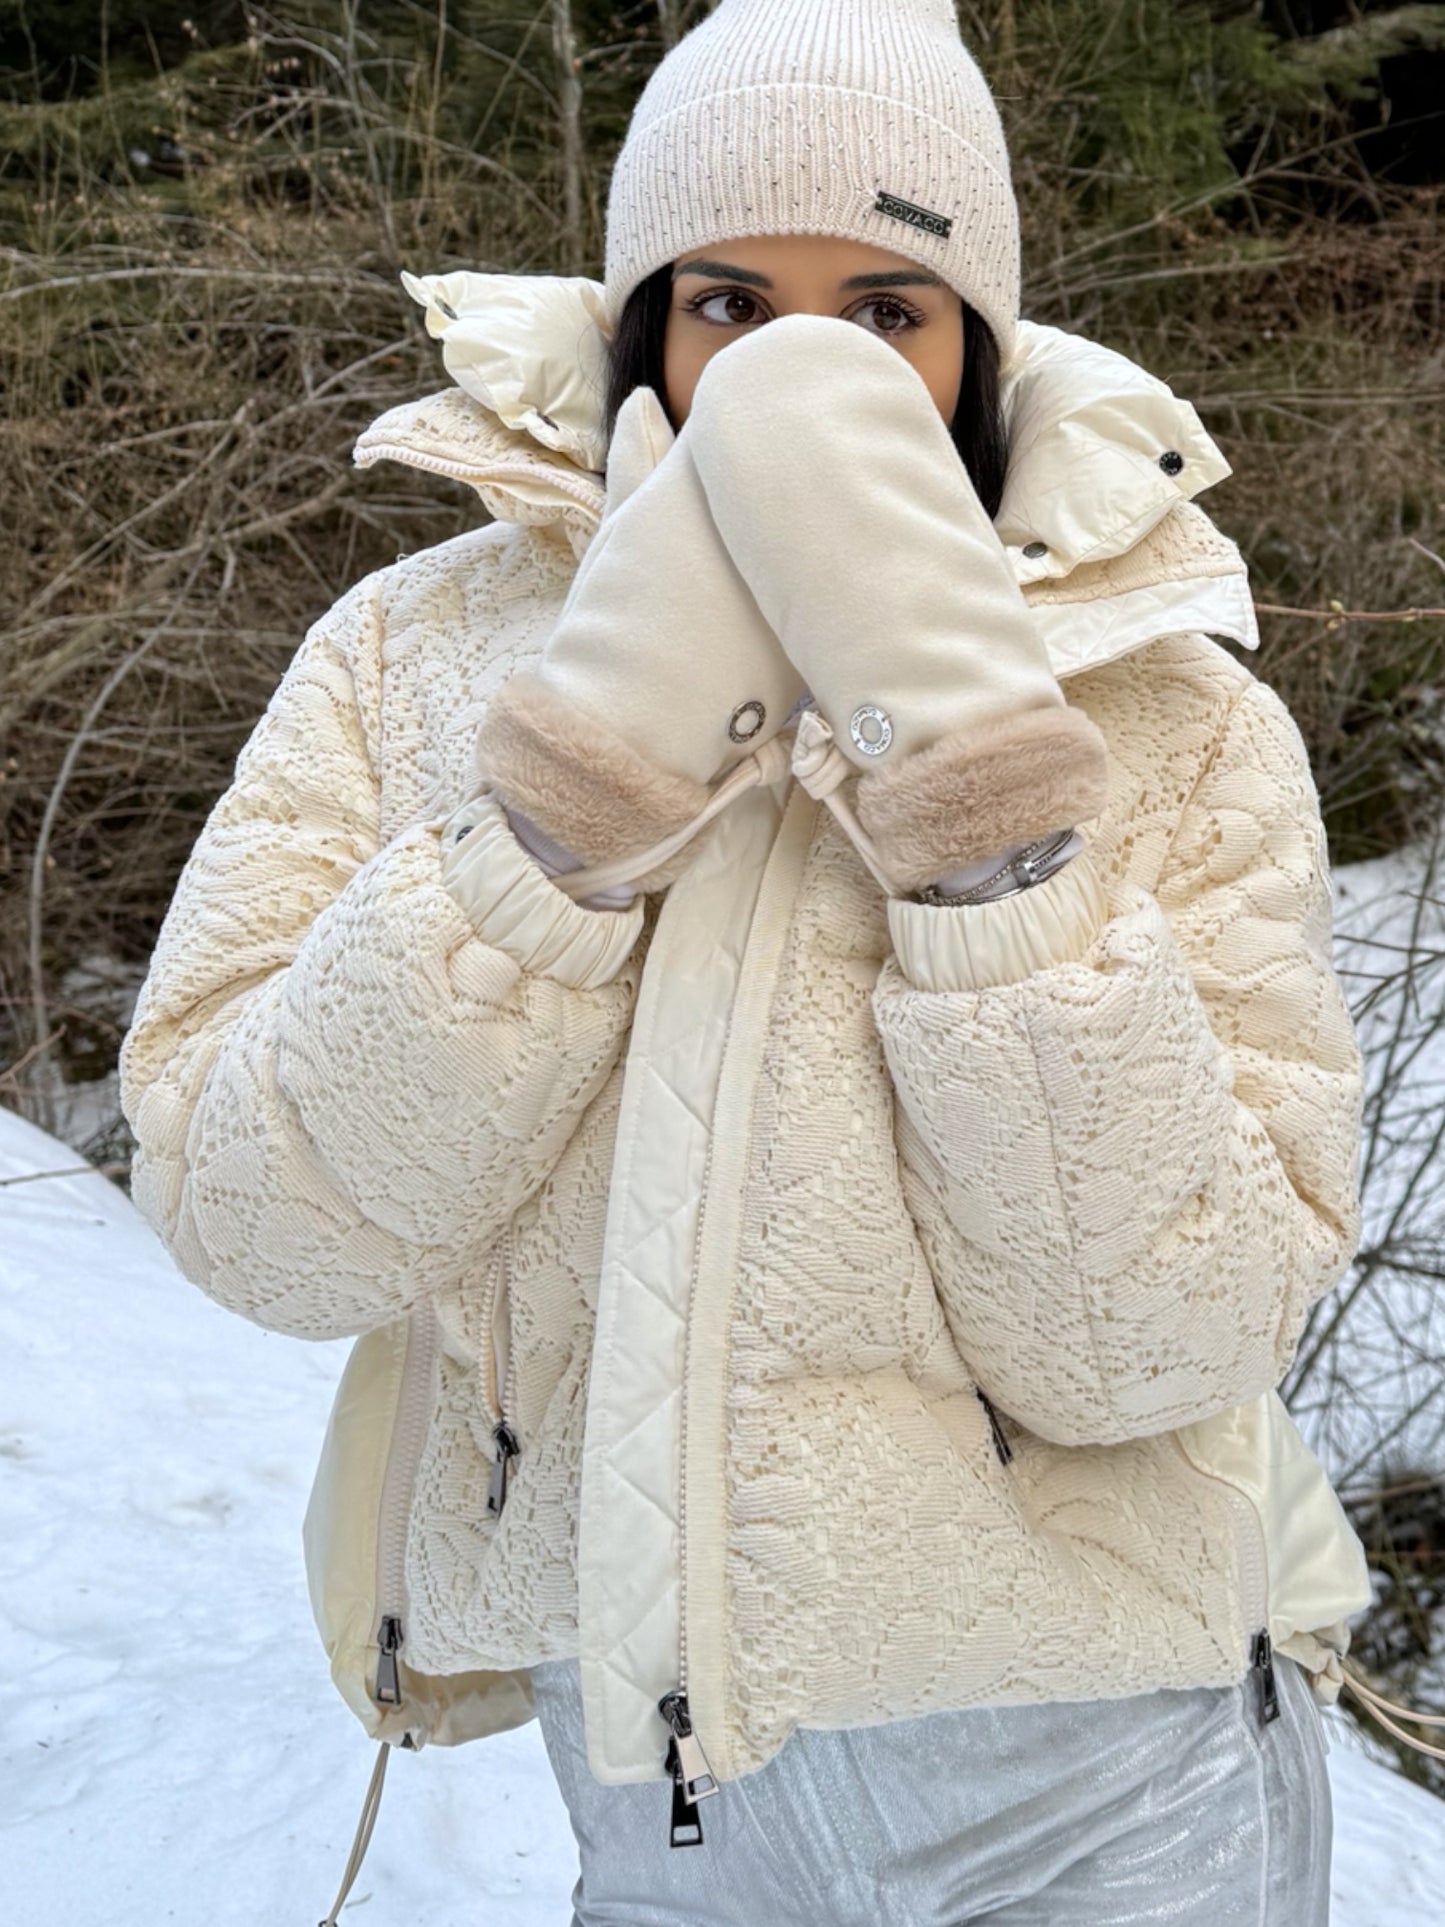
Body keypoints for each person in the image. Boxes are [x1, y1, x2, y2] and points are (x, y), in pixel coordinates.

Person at [118, 1, 1384, 1920]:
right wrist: (566, 813)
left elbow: (1162, 1344)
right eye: (729, 304)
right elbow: (261, 1228)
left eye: (884, 312)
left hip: (1109, 1769)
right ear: (642, 324)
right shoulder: (413, 657)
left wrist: (986, 824)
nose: (802, 372)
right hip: (658, 1774)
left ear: (975, 351)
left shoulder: (1171, 715)